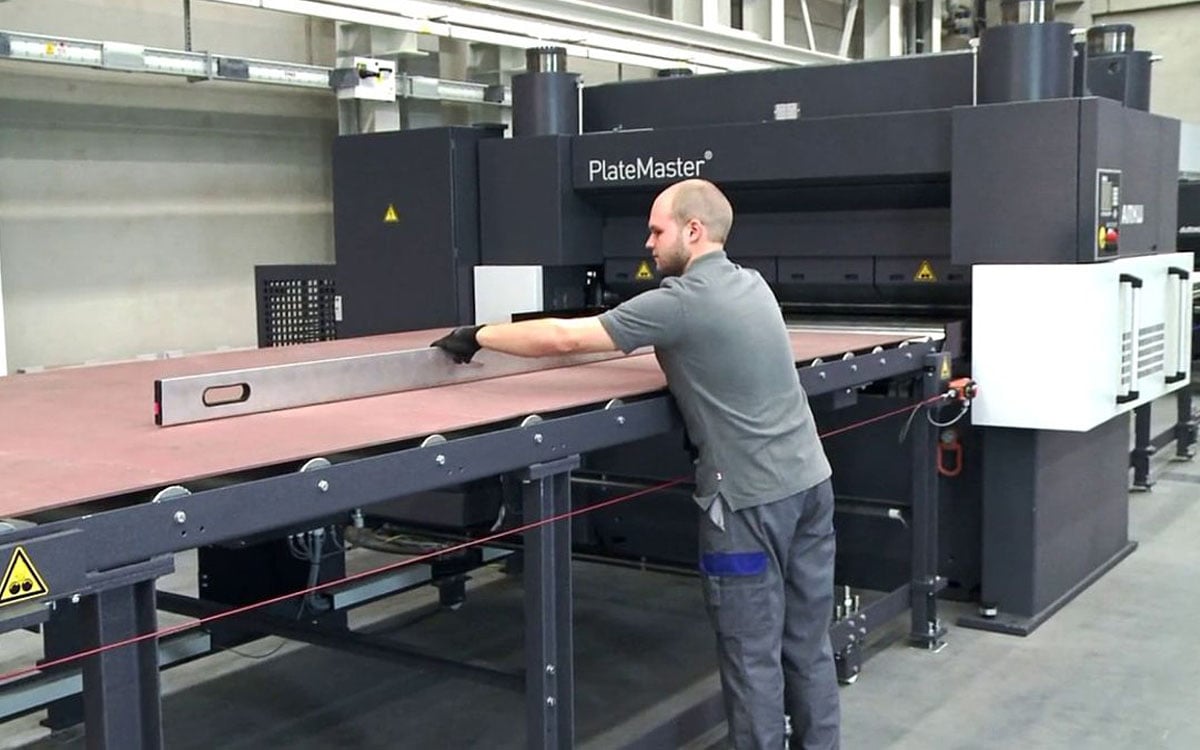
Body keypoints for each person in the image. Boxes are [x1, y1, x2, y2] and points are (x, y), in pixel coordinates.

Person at [432, 178, 840, 749]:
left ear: (693, 231)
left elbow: (566, 340)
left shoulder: (680, 302)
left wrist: (478, 335)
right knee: (808, 643)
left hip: (749, 506)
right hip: (810, 488)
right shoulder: (753, 285)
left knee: (752, 657)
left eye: (656, 230)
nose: (647, 243)